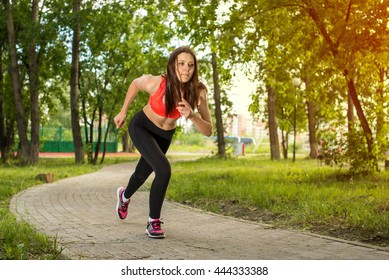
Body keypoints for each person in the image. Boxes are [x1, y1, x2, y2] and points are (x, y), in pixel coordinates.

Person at [113, 46, 213, 239]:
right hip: (142, 127)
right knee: (163, 170)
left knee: (141, 174)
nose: (186, 69)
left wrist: (192, 116)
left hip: (164, 136)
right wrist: (123, 110)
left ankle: (124, 196)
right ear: (172, 65)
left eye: (190, 65)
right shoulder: (157, 82)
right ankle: (153, 222)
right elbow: (135, 83)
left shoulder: (198, 91)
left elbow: (208, 130)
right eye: (181, 64)